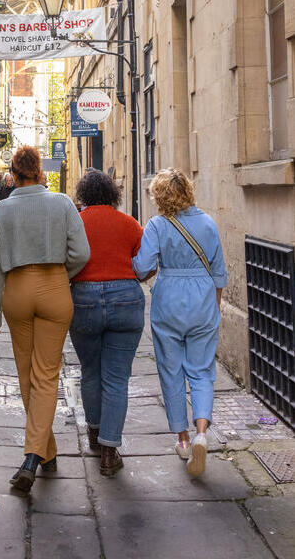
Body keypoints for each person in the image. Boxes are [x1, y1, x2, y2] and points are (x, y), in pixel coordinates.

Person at [0, 146, 90, 493]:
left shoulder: (1, 210)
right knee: (47, 374)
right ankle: (38, 452)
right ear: (41, 171)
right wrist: (61, 274)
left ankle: (41, 453)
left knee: (27, 374)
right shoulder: (61, 203)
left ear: (12, 174)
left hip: (17, 291)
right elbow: (81, 253)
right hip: (54, 287)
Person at [132, 168, 228, 478]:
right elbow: (219, 272)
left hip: (169, 301)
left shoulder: (157, 225)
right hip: (203, 300)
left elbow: (143, 266)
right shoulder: (208, 223)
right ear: (188, 190)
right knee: (201, 371)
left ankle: (183, 440)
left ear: (158, 196)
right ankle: (202, 432)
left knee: (171, 372)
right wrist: (215, 305)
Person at [69, 169, 145, 477]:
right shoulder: (129, 223)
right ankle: (110, 452)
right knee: (116, 378)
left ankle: (93, 435)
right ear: (113, 193)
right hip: (126, 298)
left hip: (83, 298)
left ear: (83, 195)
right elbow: (144, 265)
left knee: (90, 370)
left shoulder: (75, 222)